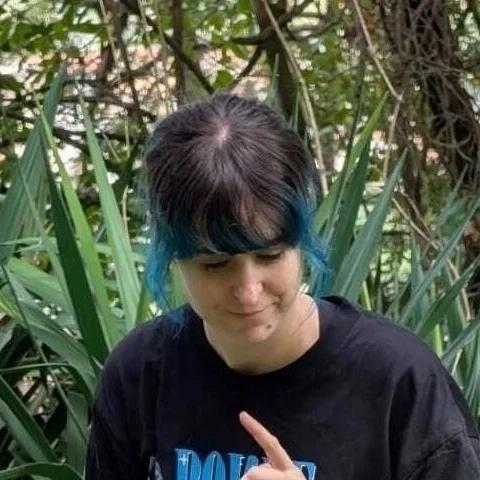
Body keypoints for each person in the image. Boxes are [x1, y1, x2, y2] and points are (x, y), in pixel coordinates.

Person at [85, 93, 480, 480]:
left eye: (270, 256)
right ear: (174, 257)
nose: (249, 291)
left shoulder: (399, 380)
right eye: (216, 265)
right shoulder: (140, 375)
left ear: (301, 242)